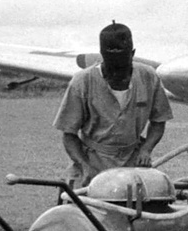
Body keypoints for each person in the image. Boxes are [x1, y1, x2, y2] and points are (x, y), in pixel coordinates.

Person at [54, 21, 172, 186]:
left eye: (123, 69)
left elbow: (159, 121)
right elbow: (69, 135)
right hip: (92, 162)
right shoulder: (82, 82)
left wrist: (146, 149)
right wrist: (84, 166)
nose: (117, 75)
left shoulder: (149, 76)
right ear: (101, 55)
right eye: (112, 69)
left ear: (133, 54)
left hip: (134, 163)